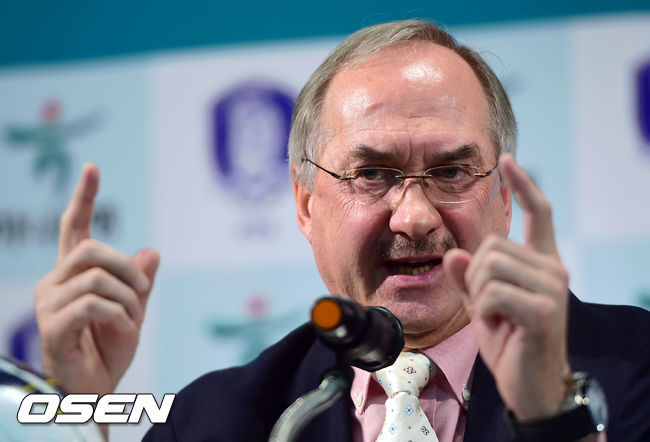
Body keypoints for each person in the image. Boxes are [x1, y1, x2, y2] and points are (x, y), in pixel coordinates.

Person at [33, 19, 650, 441]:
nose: (414, 216)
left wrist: (552, 421)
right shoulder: (218, 420)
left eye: (452, 171)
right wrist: (78, 415)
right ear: (306, 206)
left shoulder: (638, 369)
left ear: (504, 200)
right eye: (373, 174)